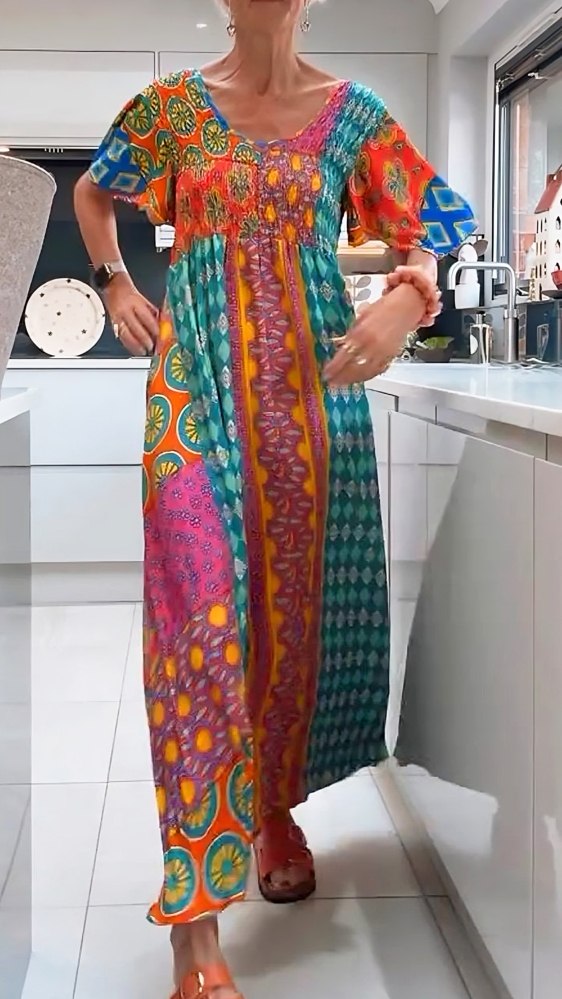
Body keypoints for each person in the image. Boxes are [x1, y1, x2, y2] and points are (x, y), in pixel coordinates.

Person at [74, 0, 476, 995]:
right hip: (193, 390)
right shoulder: (173, 108)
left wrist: (406, 295)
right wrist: (114, 280)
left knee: (290, 616)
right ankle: (194, 920)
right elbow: (93, 188)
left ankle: (273, 809)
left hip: (307, 395)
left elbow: (435, 221)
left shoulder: (353, 116)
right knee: (196, 619)